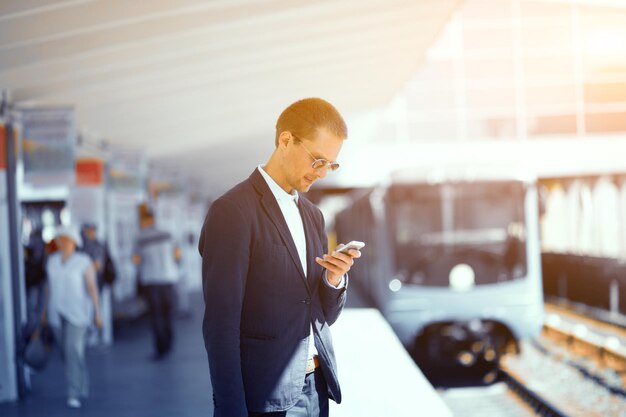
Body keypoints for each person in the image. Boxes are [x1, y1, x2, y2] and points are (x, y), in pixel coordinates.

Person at [199, 98, 362, 417]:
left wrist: (333, 279)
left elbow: (322, 315)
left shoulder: (313, 216)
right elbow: (220, 324)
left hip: (317, 389)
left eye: (331, 164)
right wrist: (231, 409)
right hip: (265, 395)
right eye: (318, 160)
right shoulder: (232, 212)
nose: (323, 174)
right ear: (285, 140)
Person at [43, 225, 102, 409]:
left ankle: (74, 392)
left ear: (74, 241)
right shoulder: (52, 261)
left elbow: (92, 289)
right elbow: (48, 288)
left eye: (66, 239)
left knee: (72, 349)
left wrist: (97, 313)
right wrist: (43, 312)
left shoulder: (84, 261)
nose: (62, 243)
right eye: (60, 239)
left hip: (78, 313)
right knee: (66, 352)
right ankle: (81, 381)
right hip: (56, 313)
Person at [133, 205, 180, 360]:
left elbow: (136, 260)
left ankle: (161, 349)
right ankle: (170, 342)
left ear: (145, 220)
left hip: (151, 281)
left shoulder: (140, 238)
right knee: (167, 312)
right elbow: (177, 255)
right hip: (168, 278)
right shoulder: (167, 234)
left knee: (156, 315)